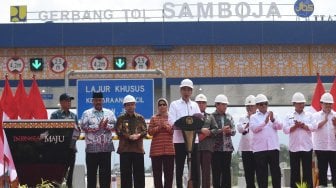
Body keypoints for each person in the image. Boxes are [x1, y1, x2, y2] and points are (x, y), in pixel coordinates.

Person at [168, 78, 201, 188]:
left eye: (188, 90)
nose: (186, 92)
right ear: (180, 90)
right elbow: (171, 121)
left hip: (194, 140)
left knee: (195, 167)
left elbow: (199, 121)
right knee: (180, 167)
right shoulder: (174, 104)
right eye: (184, 89)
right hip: (179, 140)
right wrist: (181, 124)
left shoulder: (195, 105)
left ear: (191, 91)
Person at [80, 92, 116, 188]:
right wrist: (97, 127)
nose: (98, 102)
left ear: (103, 101)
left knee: (106, 175)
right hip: (92, 149)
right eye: (96, 100)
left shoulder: (110, 113)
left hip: (106, 149)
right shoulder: (86, 113)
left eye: (100, 100)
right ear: (92, 101)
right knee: (91, 175)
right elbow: (83, 127)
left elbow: (116, 127)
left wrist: (106, 126)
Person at [283, 92, 316, 188]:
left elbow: (314, 127)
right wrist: (295, 126)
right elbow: (285, 130)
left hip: (307, 147)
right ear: (294, 104)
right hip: (294, 148)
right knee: (295, 172)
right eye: (299, 103)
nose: (301, 105)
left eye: (302, 103)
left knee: (307, 172)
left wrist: (304, 126)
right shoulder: (288, 116)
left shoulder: (309, 115)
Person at [249, 94, 282, 188]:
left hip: (273, 147)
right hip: (260, 149)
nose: (263, 106)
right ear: (257, 106)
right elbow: (254, 129)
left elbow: (280, 126)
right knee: (261, 174)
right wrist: (265, 122)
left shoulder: (274, 114)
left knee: (276, 172)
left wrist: (273, 120)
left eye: (265, 103)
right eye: (261, 104)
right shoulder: (253, 117)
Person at [116, 94, 147, 188]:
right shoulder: (120, 118)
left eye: (132, 104)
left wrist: (138, 135)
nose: (130, 107)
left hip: (138, 150)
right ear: (124, 106)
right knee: (125, 176)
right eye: (128, 105)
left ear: (135, 105)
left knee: (139, 176)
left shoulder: (140, 118)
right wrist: (129, 137)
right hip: (125, 150)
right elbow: (118, 131)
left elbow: (145, 131)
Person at [50, 93, 78, 188]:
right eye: (67, 100)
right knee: (57, 176)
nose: (69, 102)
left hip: (71, 149)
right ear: (61, 102)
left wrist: (77, 132)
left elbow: (77, 130)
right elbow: (52, 131)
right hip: (59, 150)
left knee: (70, 176)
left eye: (70, 100)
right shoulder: (55, 115)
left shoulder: (74, 116)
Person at [148, 98, 175, 188]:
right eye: (160, 104)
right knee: (157, 176)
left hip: (169, 150)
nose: (162, 106)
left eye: (164, 104)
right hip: (156, 151)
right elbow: (150, 132)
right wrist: (159, 127)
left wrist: (166, 126)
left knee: (169, 175)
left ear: (167, 106)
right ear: (158, 107)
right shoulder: (153, 118)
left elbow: (173, 131)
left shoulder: (171, 117)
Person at [211, 94, 236, 188]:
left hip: (227, 149)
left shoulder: (229, 116)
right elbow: (210, 132)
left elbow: (234, 131)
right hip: (215, 149)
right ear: (217, 105)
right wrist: (221, 130)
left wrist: (230, 131)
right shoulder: (211, 117)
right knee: (216, 172)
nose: (226, 107)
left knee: (226, 172)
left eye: (226, 104)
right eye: (224, 104)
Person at [195, 94, 219, 188]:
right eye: (199, 103)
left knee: (206, 172)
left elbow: (216, 129)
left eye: (203, 103)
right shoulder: (192, 117)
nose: (201, 104)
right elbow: (189, 129)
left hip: (207, 148)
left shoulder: (210, 117)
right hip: (195, 147)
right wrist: (200, 132)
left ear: (206, 105)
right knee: (195, 172)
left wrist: (207, 133)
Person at [312, 92, 336, 187]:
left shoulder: (335, 115)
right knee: (322, 169)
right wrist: (325, 121)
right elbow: (313, 128)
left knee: (335, 169)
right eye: (326, 103)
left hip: (334, 147)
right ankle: (323, 186)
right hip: (321, 147)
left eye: (330, 103)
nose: (328, 105)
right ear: (321, 103)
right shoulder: (315, 116)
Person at [237, 95, 257, 188]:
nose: (249, 108)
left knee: (260, 172)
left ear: (256, 106)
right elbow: (240, 129)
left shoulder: (258, 117)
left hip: (257, 149)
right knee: (248, 174)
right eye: (247, 106)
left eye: (251, 106)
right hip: (246, 149)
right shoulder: (242, 118)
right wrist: (248, 121)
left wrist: (253, 118)